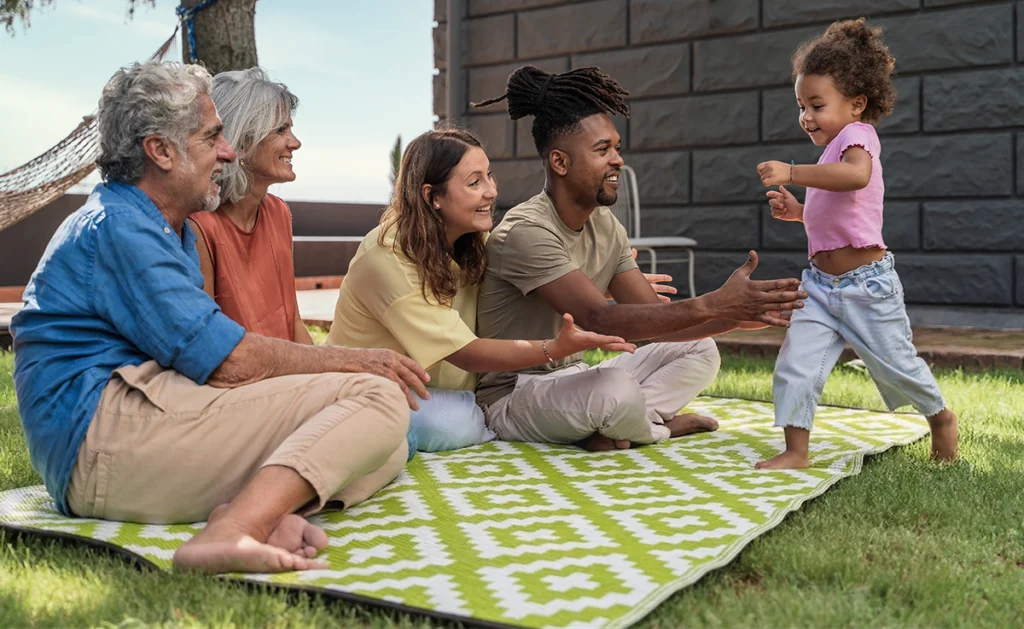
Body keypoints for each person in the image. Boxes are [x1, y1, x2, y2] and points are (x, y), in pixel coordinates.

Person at [10, 61, 431, 575]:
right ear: (160, 151)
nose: (227, 151)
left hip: (137, 424)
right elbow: (226, 361)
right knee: (378, 398)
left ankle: (253, 510)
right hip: (100, 441)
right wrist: (360, 363)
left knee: (383, 447)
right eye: (212, 138)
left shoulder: (166, 226)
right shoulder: (119, 228)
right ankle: (230, 533)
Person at [470, 65, 808, 451]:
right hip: (513, 396)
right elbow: (599, 318)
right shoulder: (526, 231)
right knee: (613, 389)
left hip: (573, 377)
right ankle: (655, 427)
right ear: (560, 163)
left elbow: (654, 323)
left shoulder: (605, 225)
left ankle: (619, 426)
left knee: (700, 349)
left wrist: (735, 316)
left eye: (616, 147)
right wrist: (712, 303)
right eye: (602, 150)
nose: (617, 160)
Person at [327, 127, 637, 453]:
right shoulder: (387, 258)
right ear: (433, 197)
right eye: (475, 183)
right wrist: (554, 348)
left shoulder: (471, 241)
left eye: (489, 176)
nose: (490, 191)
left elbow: (520, 288)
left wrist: (596, 284)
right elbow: (465, 353)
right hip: (377, 390)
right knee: (456, 424)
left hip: (459, 393)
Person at [755, 19, 958, 469]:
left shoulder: (858, 136)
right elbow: (839, 215)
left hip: (868, 287)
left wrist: (792, 172)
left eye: (816, 105)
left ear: (856, 104)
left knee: (897, 366)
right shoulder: (830, 152)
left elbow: (856, 178)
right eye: (800, 105)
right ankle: (796, 450)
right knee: (797, 363)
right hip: (821, 288)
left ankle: (941, 418)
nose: (806, 116)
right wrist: (800, 212)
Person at [189, 68, 312, 344]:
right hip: (245, 380)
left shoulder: (278, 213)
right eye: (281, 130)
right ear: (242, 143)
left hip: (289, 371)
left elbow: (293, 324)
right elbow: (210, 345)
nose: (296, 143)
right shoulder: (199, 226)